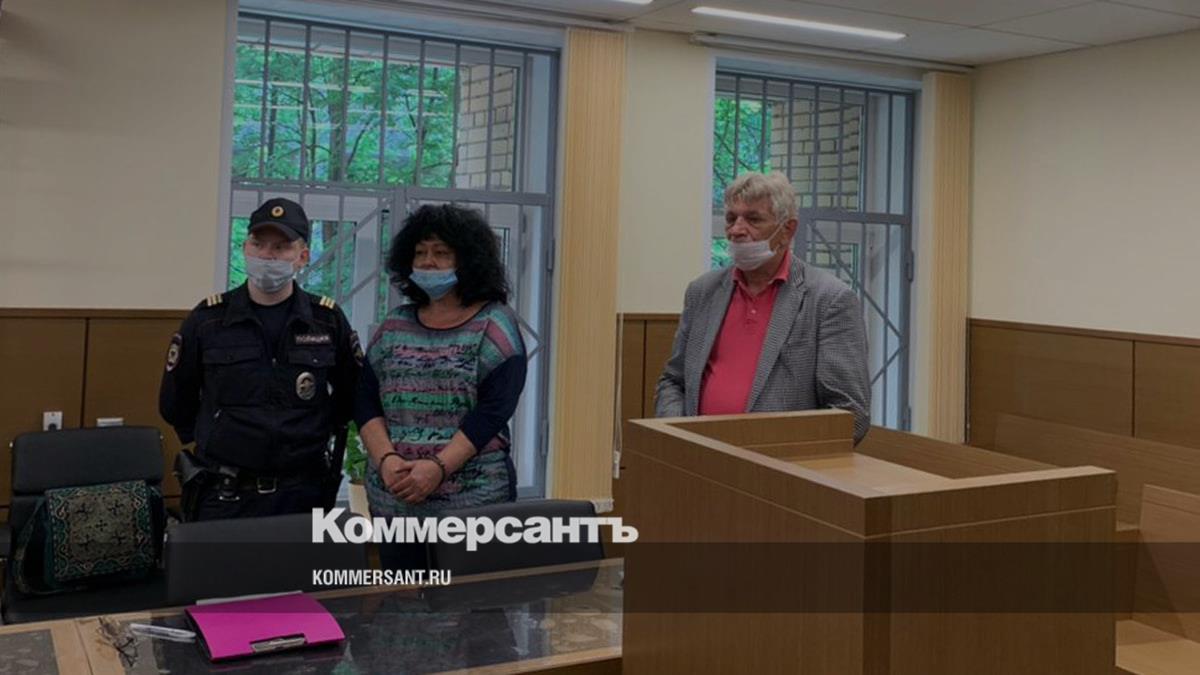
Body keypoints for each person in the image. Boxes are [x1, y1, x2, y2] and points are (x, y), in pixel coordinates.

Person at [159, 197, 362, 520]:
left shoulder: (327, 321)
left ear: (302, 256)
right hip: (224, 493)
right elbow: (175, 401)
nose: (267, 255)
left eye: (281, 247)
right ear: (245, 248)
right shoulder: (208, 320)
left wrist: (314, 430)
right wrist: (217, 434)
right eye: (258, 244)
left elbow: (352, 394)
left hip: (303, 491)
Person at [355, 204, 527, 566]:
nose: (428, 263)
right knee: (402, 600)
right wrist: (386, 460)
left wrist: (437, 468)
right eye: (420, 253)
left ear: (468, 260)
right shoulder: (393, 325)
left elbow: (493, 411)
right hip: (395, 503)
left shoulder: (495, 325)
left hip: (473, 504)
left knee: (472, 601)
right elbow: (365, 400)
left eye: (441, 253)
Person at [655, 171, 871, 443]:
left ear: (787, 230)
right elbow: (673, 381)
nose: (736, 230)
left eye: (753, 219)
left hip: (778, 465)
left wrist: (770, 452)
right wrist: (677, 437)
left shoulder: (829, 300)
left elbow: (850, 415)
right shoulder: (702, 292)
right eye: (731, 218)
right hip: (699, 458)